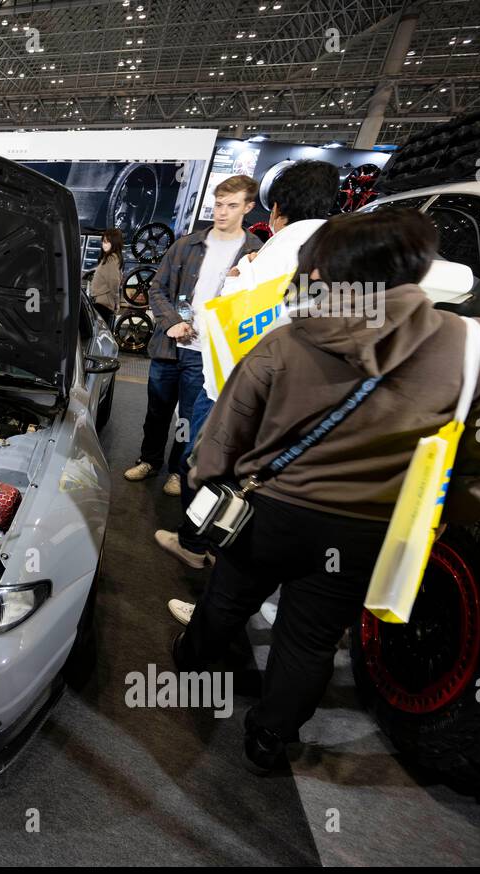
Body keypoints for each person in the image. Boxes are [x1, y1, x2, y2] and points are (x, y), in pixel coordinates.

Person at [173, 209, 480, 773]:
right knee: (310, 636)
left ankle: (194, 663)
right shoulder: (476, 346)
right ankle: (270, 738)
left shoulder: (287, 340)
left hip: (270, 510)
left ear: (329, 270)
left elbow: (227, 429)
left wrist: (205, 482)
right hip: (369, 524)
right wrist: (453, 511)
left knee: (229, 595)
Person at [158, 161, 340, 573]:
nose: (222, 211)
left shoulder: (272, 253)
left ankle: (197, 545)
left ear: (270, 210)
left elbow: (242, 327)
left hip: (238, 390)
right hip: (309, 406)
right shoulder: (339, 247)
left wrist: (241, 279)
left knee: (205, 466)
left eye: (231, 204)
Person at [124, 176, 262, 505]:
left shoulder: (255, 252)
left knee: (189, 416)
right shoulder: (186, 245)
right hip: (170, 347)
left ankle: (176, 469)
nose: (222, 212)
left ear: (248, 207)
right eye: (218, 205)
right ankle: (149, 461)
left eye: (231, 205)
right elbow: (156, 289)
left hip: (209, 354)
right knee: (156, 412)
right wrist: (172, 322)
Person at [88, 228, 123, 327]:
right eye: (103, 241)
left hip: (104, 303)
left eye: (107, 242)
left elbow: (114, 282)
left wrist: (116, 303)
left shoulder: (111, 259)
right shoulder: (109, 258)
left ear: (115, 243)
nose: (104, 244)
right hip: (102, 302)